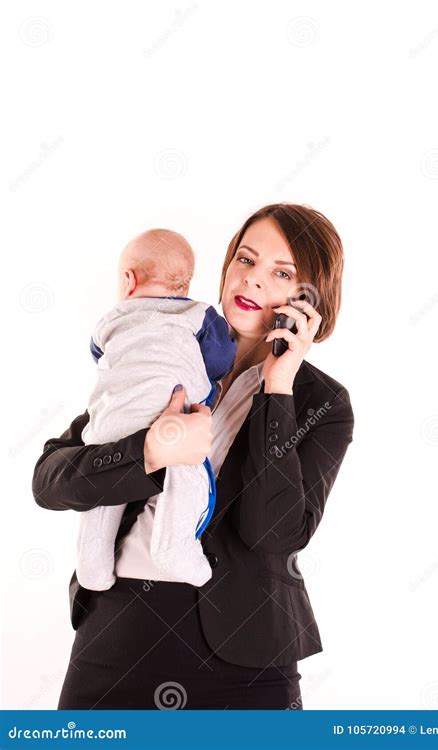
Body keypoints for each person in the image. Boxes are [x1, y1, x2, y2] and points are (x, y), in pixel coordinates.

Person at [32, 202, 355, 710]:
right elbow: (51, 481)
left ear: (309, 300)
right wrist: (148, 452)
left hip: (245, 665)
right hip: (116, 640)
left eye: (281, 273)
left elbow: (271, 532)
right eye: (245, 261)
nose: (251, 281)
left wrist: (278, 389)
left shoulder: (322, 404)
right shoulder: (162, 351)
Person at [75, 227, 236, 591]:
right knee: (188, 474)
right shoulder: (199, 314)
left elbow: (99, 353)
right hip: (171, 419)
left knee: (105, 494)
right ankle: (174, 545)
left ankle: (92, 562)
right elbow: (222, 356)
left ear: (128, 280)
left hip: (107, 425)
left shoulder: (111, 319)